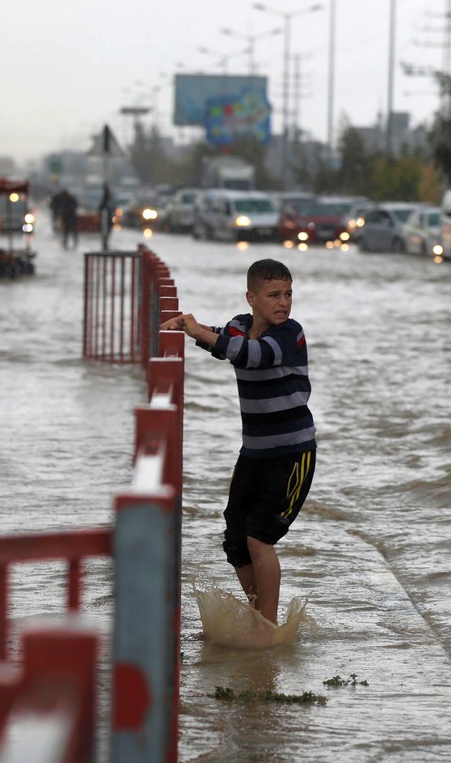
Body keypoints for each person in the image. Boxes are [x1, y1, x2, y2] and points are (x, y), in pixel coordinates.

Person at [160, 259, 317, 627]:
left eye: (289, 294)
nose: (283, 302)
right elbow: (225, 342)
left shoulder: (289, 334)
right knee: (235, 538)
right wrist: (188, 327)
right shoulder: (239, 326)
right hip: (255, 452)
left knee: (260, 537)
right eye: (274, 294)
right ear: (251, 297)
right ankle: (255, 615)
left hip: (293, 453)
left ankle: (268, 628)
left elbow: (252, 356)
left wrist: (199, 332)